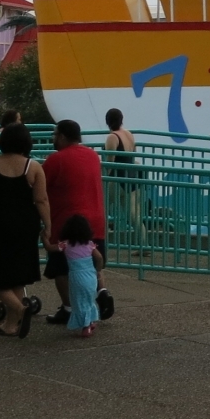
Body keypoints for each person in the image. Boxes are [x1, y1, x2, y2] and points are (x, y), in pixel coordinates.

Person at [0, 122, 52, 337]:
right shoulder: (33, 167)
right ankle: (10, 324)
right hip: (26, 226)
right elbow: (41, 200)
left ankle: (19, 309)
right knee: (17, 275)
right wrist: (48, 226)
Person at [41, 120, 105, 325]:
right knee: (91, 264)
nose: (53, 139)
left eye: (54, 135)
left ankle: (68, 308)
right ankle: (100, 292)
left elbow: (40, 185)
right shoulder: (93, 156)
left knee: (60, 269)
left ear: (61, 136)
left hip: (67, 223)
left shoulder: (56, 159)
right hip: (95, 221)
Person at [58, 214, 101, 338]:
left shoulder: (65, 244)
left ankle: (86, 326)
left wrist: (44, 238)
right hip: (91, 276)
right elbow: (99, 258)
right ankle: (90, 321)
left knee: (78, 301)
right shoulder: (90, 244)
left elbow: (50, 248)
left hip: (76, 277)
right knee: (89, 299)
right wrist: (98, 270)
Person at [102, 107, 138, 239]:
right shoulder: (129, 134)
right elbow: (133, 154)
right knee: (133, 216)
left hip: (116, 178)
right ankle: (144, 244)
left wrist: (103, 178)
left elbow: (110, 162)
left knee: (101, 209)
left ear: (107, 121)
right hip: (130, 178)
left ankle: (101, 242)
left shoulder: (112, 137)